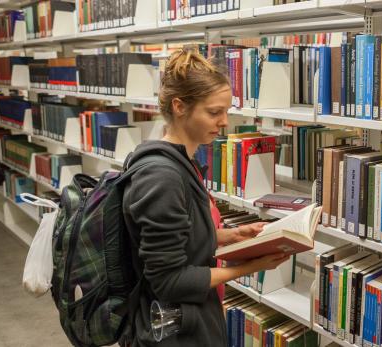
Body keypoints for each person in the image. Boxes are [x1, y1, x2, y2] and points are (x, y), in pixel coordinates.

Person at [122, 48, 290, 346]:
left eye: (226, 111)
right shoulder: (162, 177)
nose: (224, 122)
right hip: (175, 332)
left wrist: (230, 235)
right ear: (179, 107)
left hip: (194, 319)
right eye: (214, 112)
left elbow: (182, 238)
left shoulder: (182, 161)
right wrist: (249, 268)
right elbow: (169, 280)